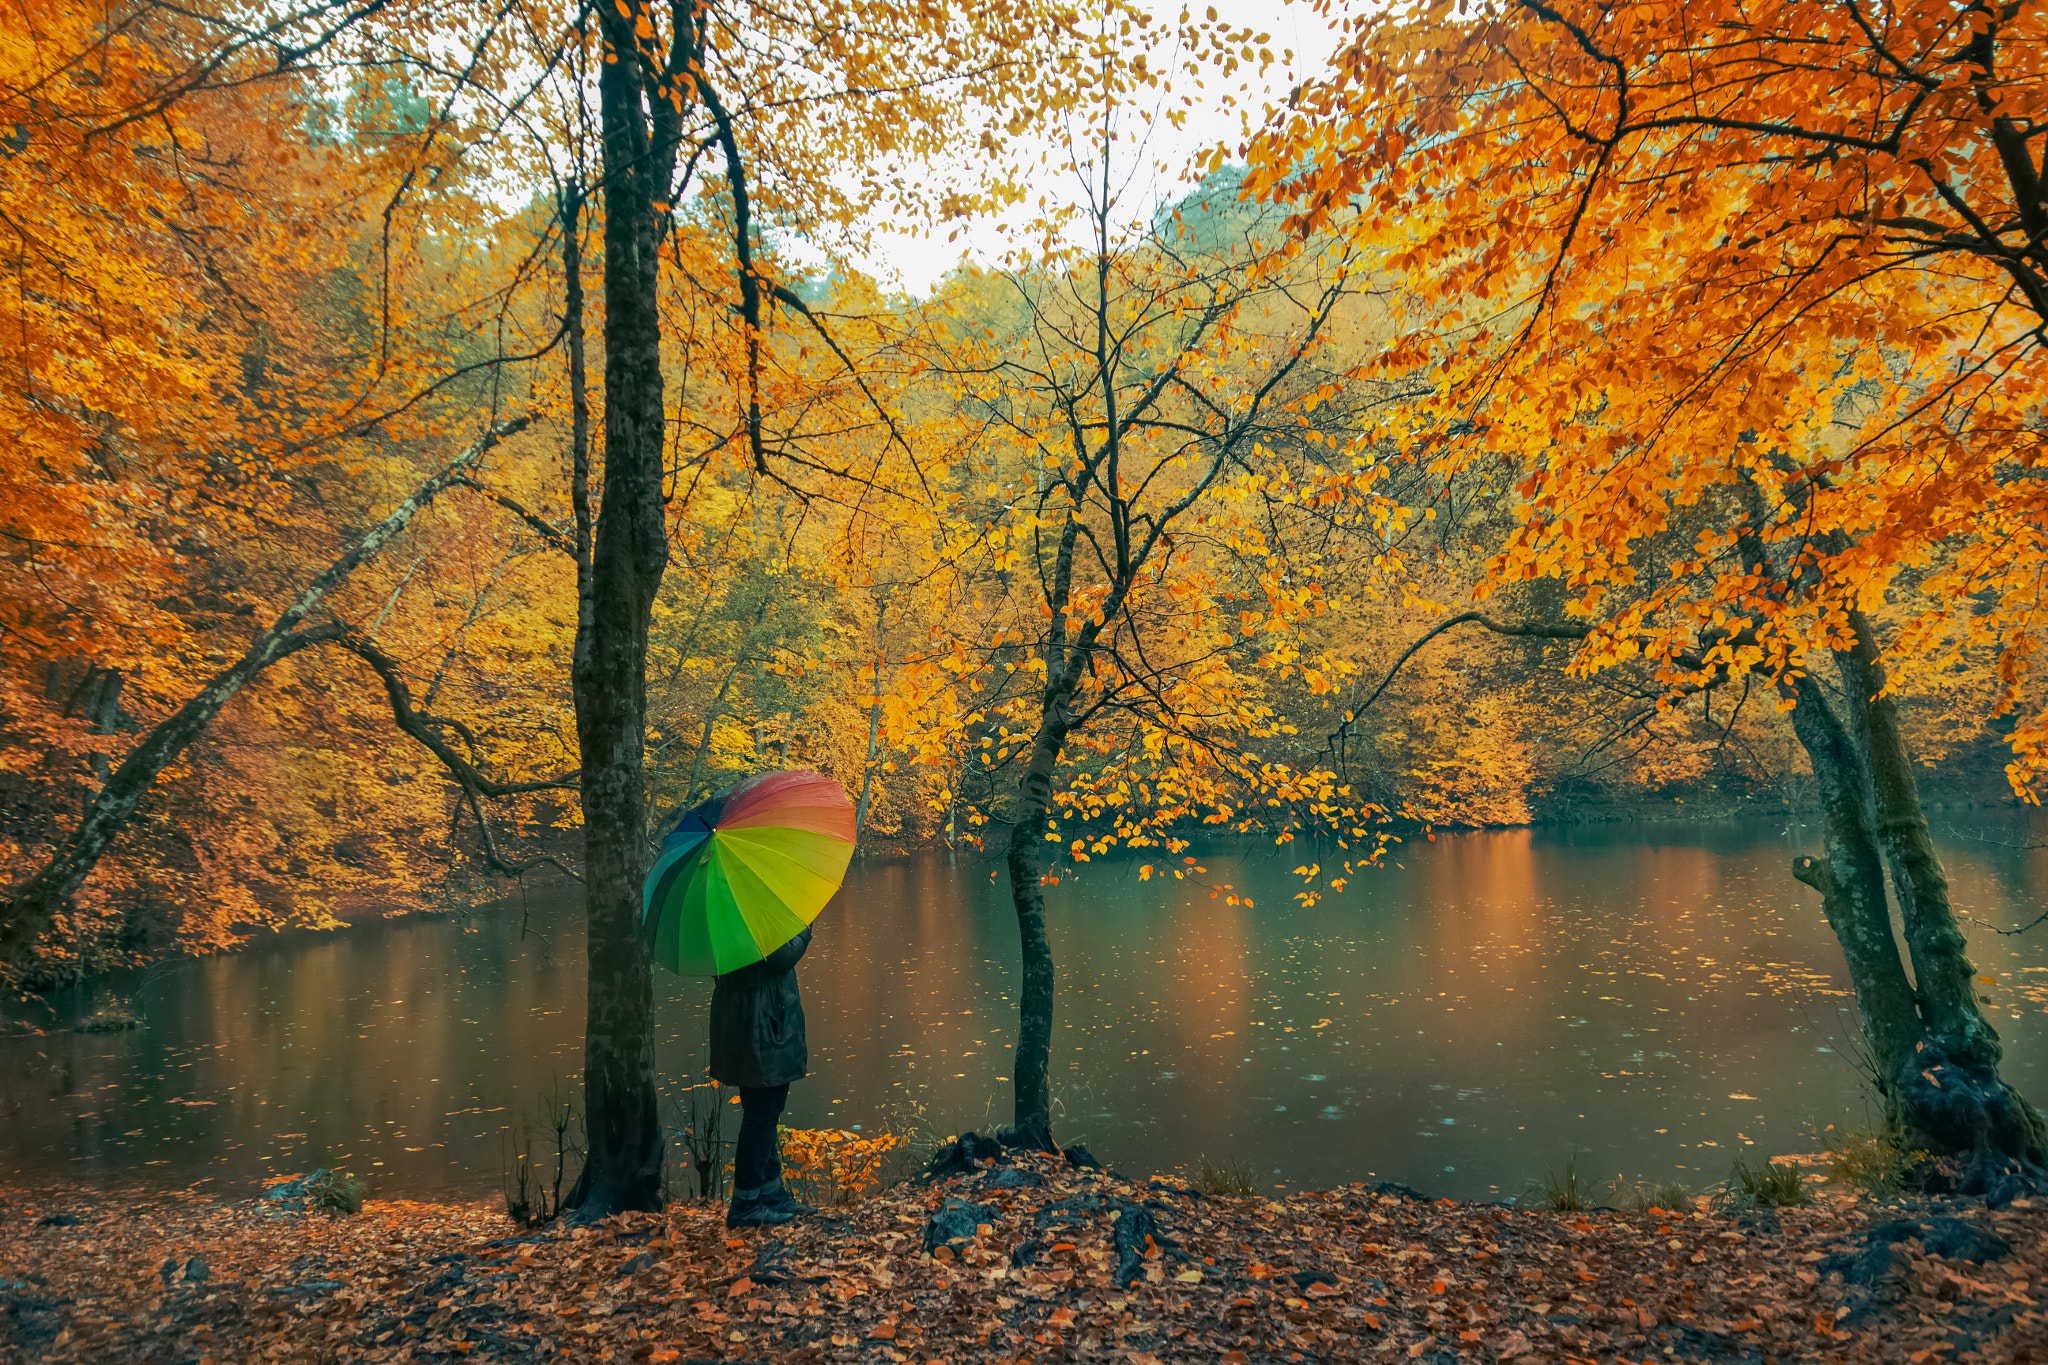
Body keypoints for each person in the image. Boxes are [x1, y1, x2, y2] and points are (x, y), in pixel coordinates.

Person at [709, 921, 818, 1227]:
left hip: (742, 1018)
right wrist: (804, 928)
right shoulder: (750, 909)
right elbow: (781, 958)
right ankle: (745, 1203)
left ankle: (769, 1193)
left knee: (762, 1108)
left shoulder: (720, 911)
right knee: (763, 1110)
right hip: (762, 1021)